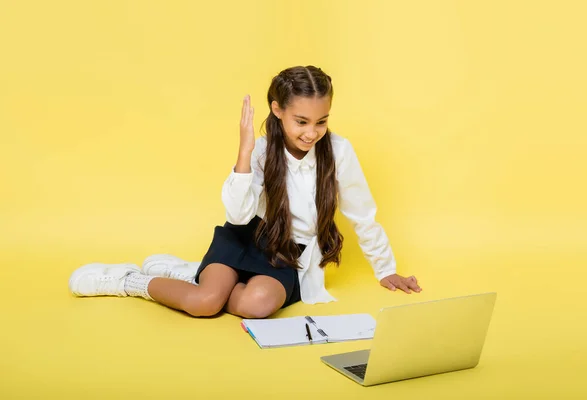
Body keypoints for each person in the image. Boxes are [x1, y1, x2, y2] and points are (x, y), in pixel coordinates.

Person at [68, 65, 422, 319]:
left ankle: (191, 273)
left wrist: (384, 268)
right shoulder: (262, 151)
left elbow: (362, 212)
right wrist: (243, 153)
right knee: (205, 303)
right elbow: (238, 216)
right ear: (277, 110)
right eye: (302, 121)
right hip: (248, 237)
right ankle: (129, 280)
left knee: (256, 307)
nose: (312, 132)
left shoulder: (339, 151)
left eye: (321, 121)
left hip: (288, 252)